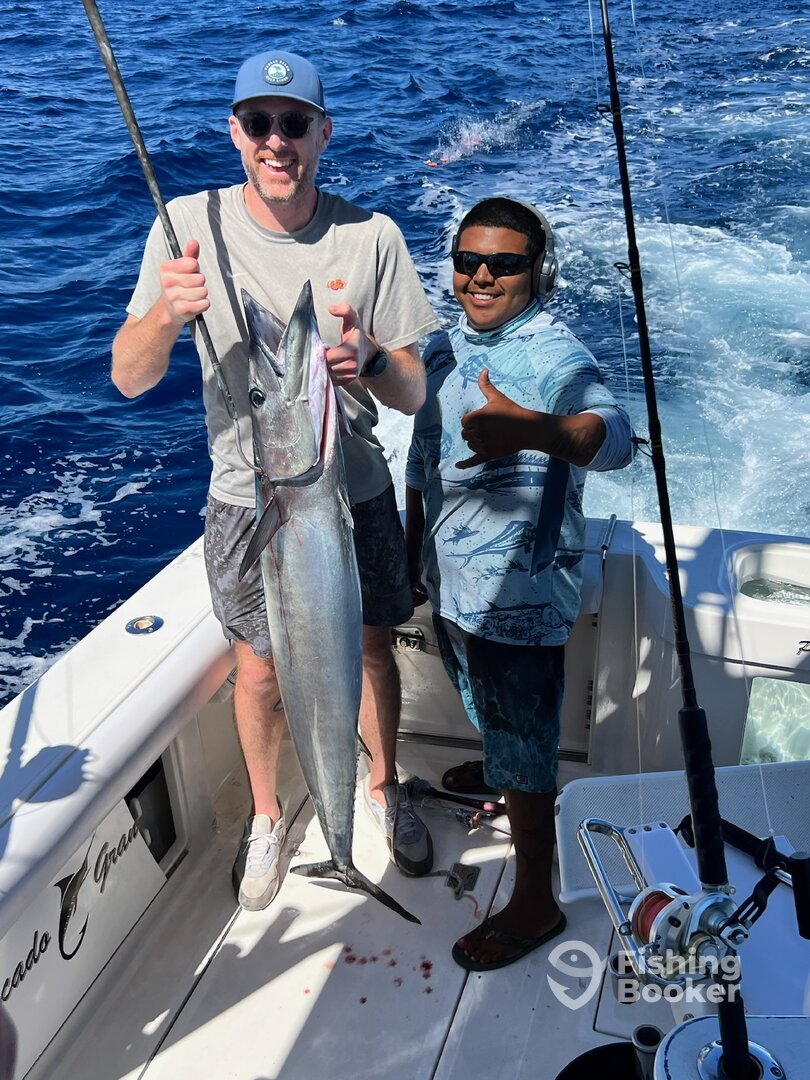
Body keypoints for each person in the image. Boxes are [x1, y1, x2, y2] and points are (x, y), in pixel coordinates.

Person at [112, 50, 438, 910]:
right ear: (235, 132)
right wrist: (165, 314)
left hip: (354, 492)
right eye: (259, 123)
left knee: (373, 648)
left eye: (294, 124)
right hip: (247, 502)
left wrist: (372, 360)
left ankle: (379, 789)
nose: (276, 140)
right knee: (257, 670)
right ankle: (267, 817)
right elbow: (128, 377)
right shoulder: (188, 225)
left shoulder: (371, 236)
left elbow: (414, 391)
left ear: (323, 133)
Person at [405, 197, 634, 970]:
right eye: (468, 260)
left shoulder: (557, 356)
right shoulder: (441, 348)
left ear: (540, 272)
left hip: (522, 602)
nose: (481, 276)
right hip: (452, 583)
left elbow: (613, 438)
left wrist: (533, 430)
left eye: (504, 263)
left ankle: (536, 900)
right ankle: (502, 768)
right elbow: (422, 459)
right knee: (486, 710)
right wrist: (412, 550)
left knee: (528, 749)